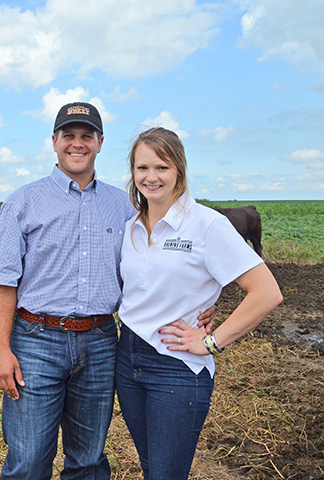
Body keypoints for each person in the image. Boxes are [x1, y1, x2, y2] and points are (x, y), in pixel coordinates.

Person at [0, 104, 213, 479]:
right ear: (54, 142)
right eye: (69, 135)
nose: (77, 144)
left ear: (99, 143)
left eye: (86, 136)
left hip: (100, 341)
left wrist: (204, 307)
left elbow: (158, 265)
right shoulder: (22, 201)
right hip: (35, 340)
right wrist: (0, 349)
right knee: (28, 459)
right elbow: (3, 282)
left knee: (89, 458)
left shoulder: (125, 205)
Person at [115, 127, 283, 480]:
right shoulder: (130, 226)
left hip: (177, 365)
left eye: (162, 167)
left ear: (179, 170)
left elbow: (266, 292)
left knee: (165, 474)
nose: (151, 177)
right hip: (127, 358)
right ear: (133, 172)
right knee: (152, 468)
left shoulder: (207, 225)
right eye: (142, 168)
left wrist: (210, 340)